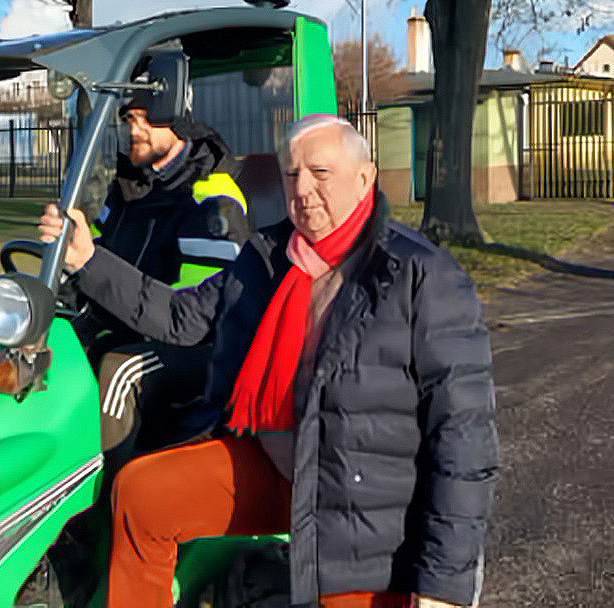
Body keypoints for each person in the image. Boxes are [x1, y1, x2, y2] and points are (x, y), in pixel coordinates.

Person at [40, 116, 498, 608]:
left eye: (320, 173)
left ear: (365, 179)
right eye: (291, 174)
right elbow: (180, 318)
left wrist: (443, 585)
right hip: (274, 460)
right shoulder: (267, 257)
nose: (302, 189)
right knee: (139, 494)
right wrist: (88, 261)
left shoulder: (420, 276)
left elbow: (463, 435)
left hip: (359, 494)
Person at [66, 100, 250, 454]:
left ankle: (108, 501)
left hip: (203, 348)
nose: (134, 131)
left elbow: (190, 320)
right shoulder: (128, 191)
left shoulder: (213, 200)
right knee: (49, 345)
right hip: (134, 327)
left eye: (147, 120)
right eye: (129, 119)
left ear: (178, 120)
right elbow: (96, 264)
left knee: (120, 372)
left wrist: (89, 263)